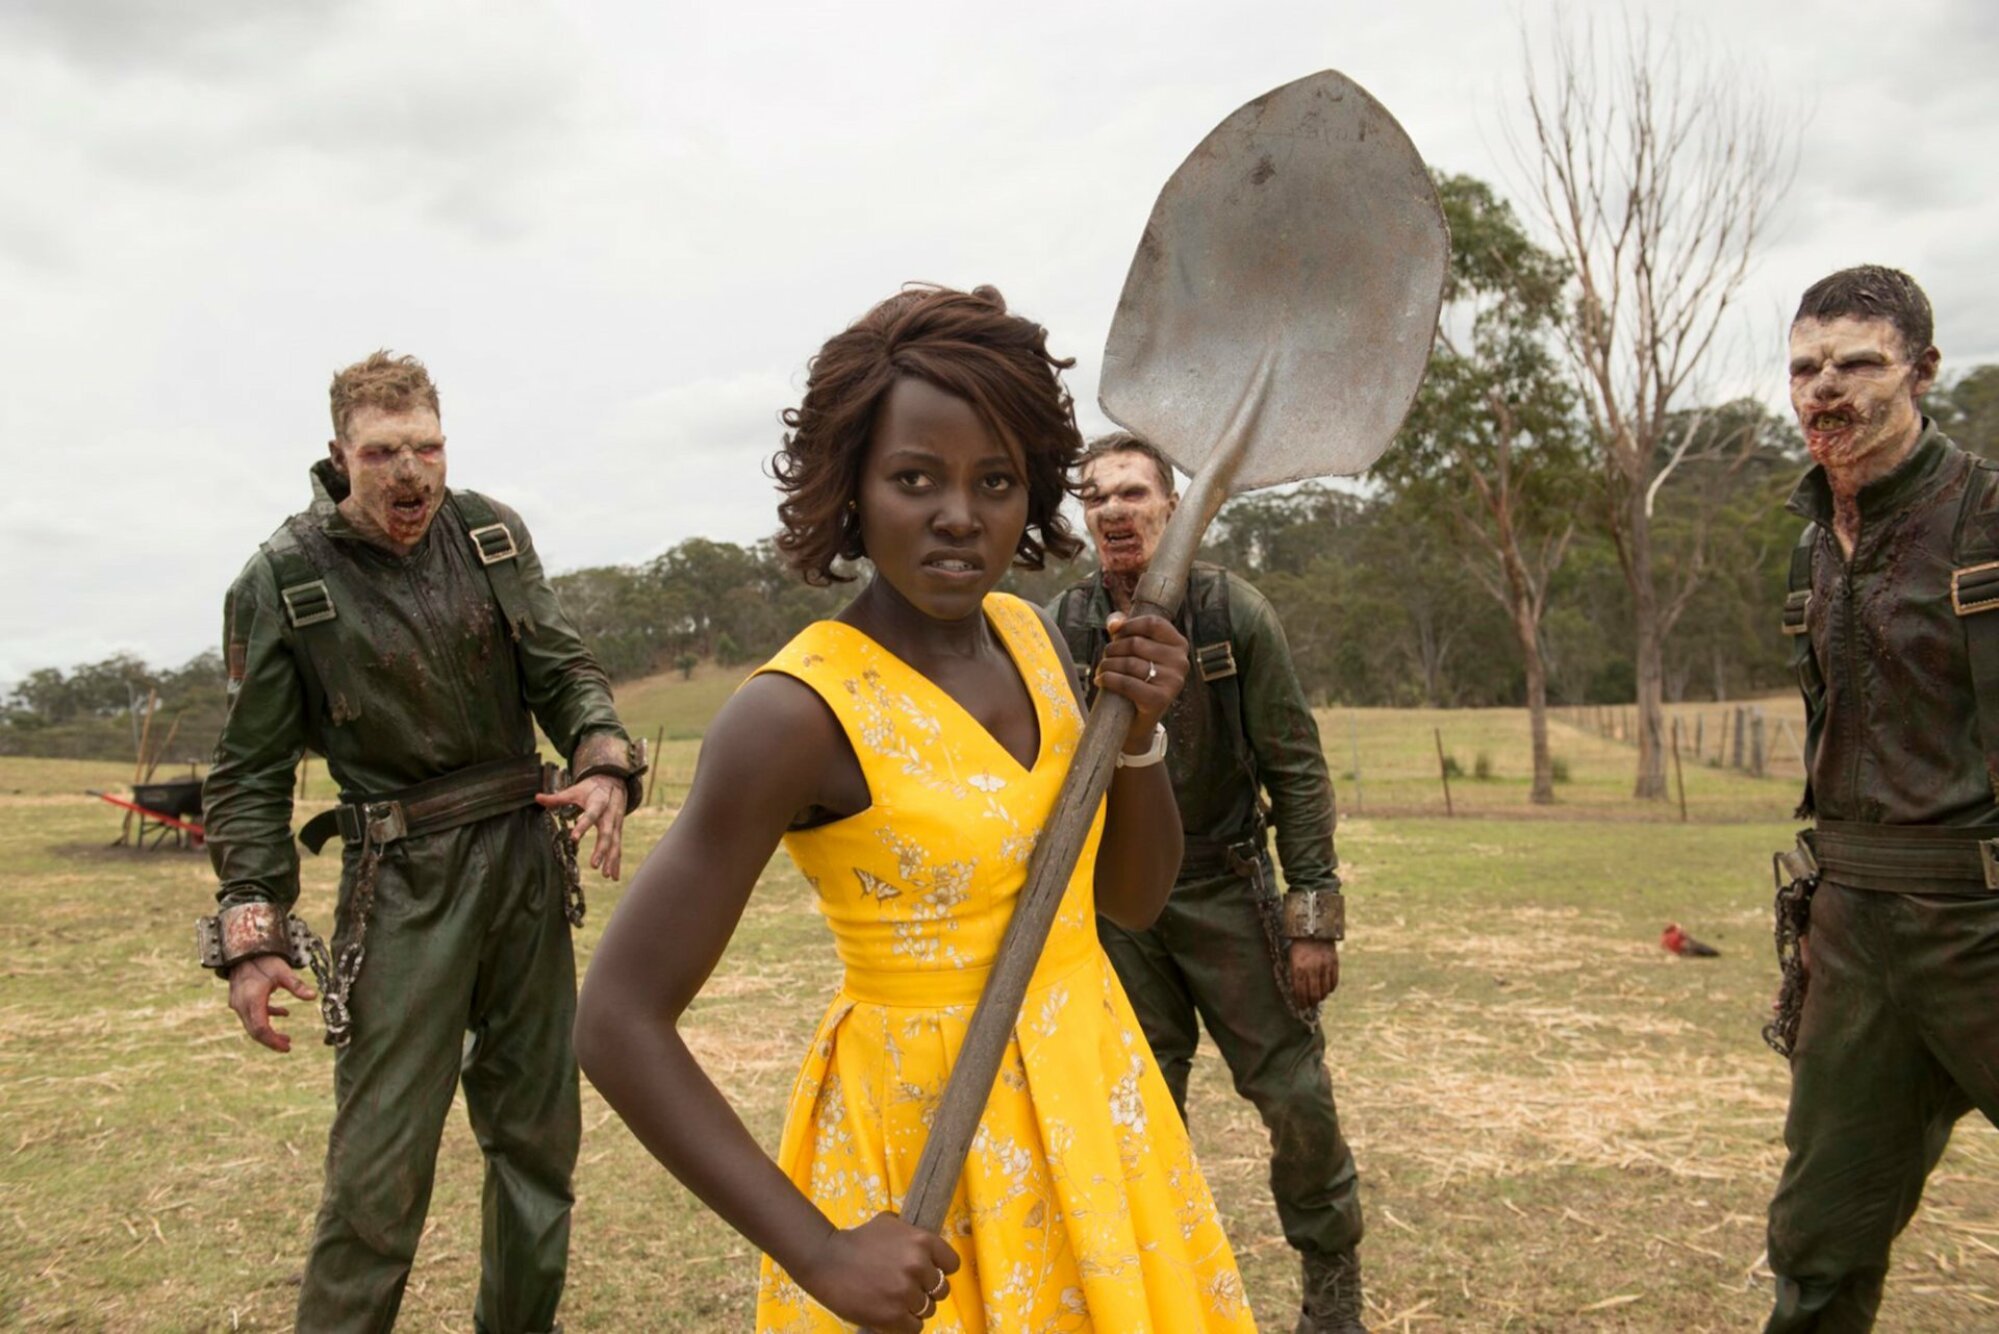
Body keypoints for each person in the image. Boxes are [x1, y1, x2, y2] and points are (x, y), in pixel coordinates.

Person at [575, 285, 1255, 1333]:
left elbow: (1125, 900)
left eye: (995, 480)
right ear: (850, 490)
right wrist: (820, 1250)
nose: (958, 513)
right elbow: (616, 1017)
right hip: (921, 1144)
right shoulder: (794, 714)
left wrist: (1141, 736)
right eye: (914, 478)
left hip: (1094, 1106)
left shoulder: (1033, 640)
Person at [199, 351, 644, 1334]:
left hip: (524, 864)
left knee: (538, 1149)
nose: (411, 475)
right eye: (384, 452)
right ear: (337, 454)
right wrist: (252, 926)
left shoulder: (489, 534)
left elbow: (561, 668)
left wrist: (604, 755)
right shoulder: (283, 578)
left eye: (428, 447)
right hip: (398, 887)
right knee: (378, 1180)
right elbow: (249, 773)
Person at [1050, 433, 1366, 1334]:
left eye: (1133, 492)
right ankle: (1158, 1297)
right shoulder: (1058, 629)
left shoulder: (1234, 615)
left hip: (1232, 890)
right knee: (1137, 1108)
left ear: (1173, 505)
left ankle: (1332, 1288)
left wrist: (1312, 919)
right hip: (1116, 908)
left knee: (1294, 1093)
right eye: (1095, 497)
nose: (1113, 509)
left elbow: (1297, 768)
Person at [1763, 265, 1999, 1331]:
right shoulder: (1812, 542)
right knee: (1818, 1240)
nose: (1826, 387)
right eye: (1807, 366)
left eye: (1856, 361)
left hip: (1983, 921)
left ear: (1921, 370)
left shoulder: (1987, 518)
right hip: (1851, 933)